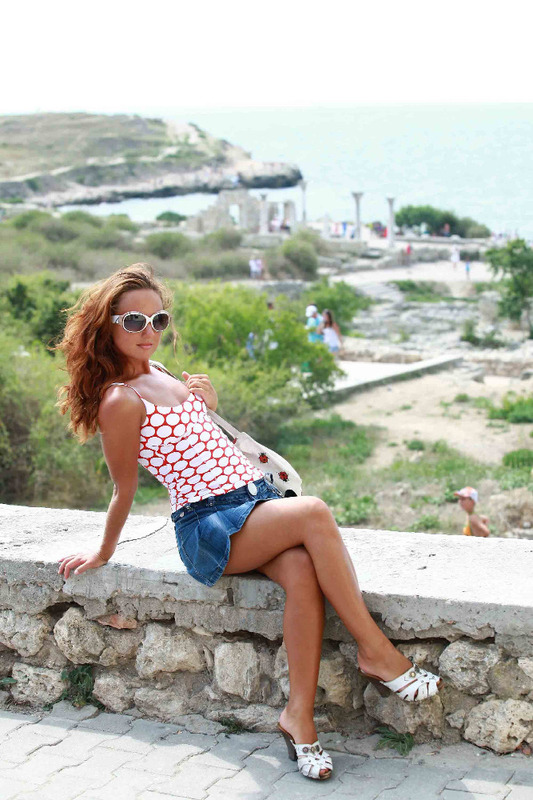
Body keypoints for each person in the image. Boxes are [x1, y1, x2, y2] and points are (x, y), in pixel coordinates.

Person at [56, 264, 442, 783]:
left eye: (158, 319)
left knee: (303, 570)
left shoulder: (161, 371)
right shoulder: (120, 400)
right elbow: (123, 488)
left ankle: (298, 720)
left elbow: (201, 444)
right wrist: (103, 552)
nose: (149, 331)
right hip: (209, 526)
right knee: (314, 511)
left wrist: (210, 405)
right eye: (134, 322)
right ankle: (376, 652)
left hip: (253, 503)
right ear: (108, 326)